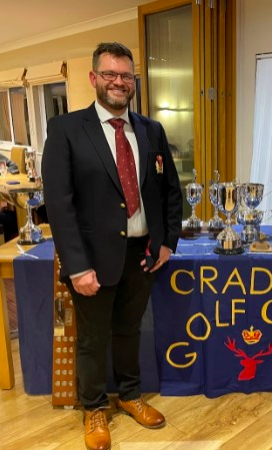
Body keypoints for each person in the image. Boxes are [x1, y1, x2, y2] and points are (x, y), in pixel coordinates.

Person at [42, 42, 182, 450]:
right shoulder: (67, 130)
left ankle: (131, 395)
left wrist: (167, 242)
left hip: (142, 256)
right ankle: (94, 408)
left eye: (126, 75)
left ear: (133, 80)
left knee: (128, 330)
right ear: (94, 79)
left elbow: (170, 192)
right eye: (110, 74)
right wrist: (77, 266)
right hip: (92, 262)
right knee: (91, 339)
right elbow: (59, 205)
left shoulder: (151, 130)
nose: (119, 82)